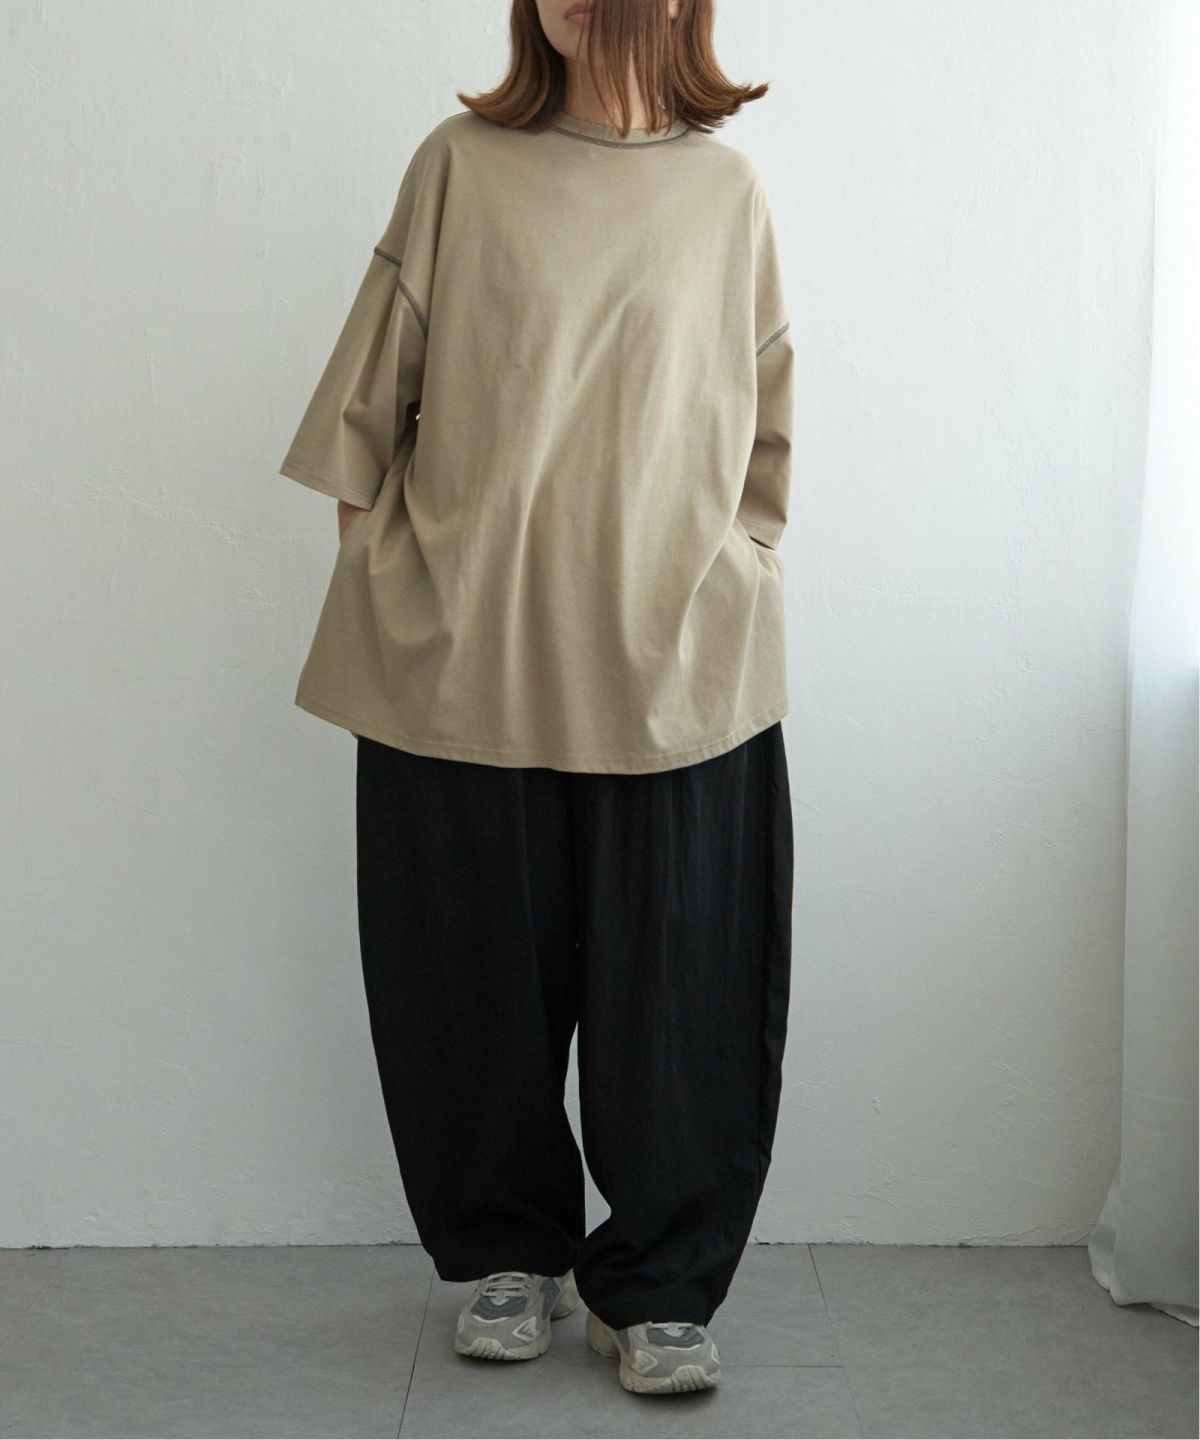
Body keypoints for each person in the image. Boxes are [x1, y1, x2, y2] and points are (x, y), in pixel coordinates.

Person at [277, 0, 795, 1397]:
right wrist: (393, 586)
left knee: (682, 992)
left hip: (674, 662)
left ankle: (662, 1285)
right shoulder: (459, 166)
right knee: (467, 984)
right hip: (468, 658)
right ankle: (508, 1254)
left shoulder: (726, 192)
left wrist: (736, 569)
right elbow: (366, 403)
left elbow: (765, 426)